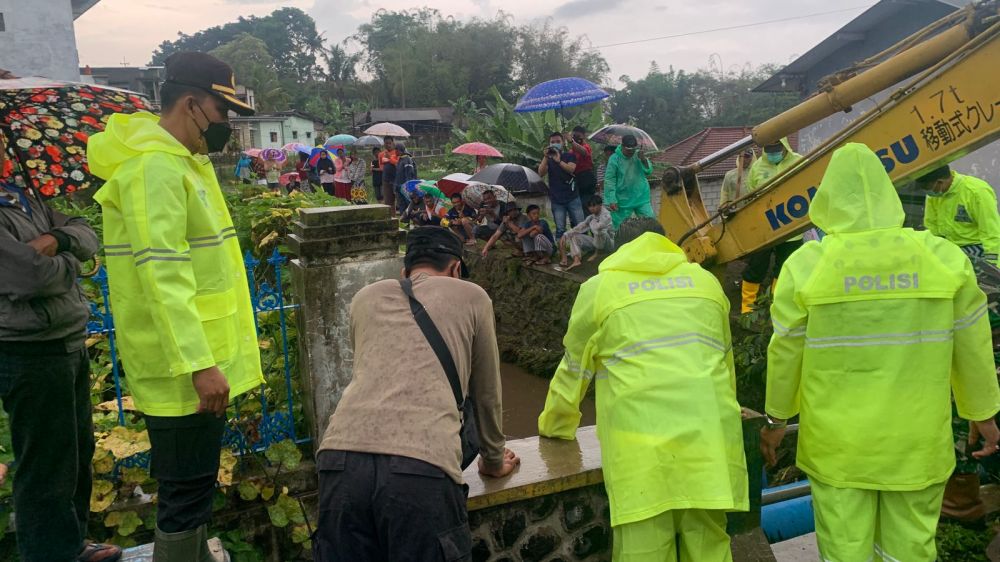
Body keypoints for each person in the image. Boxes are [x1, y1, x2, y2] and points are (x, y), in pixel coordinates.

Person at [760, 143, 1000, 562]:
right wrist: (982, 412)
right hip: (917, 444)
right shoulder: (941, 257)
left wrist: (776, 420)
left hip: (838, 449)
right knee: (909, 550)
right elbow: (973, 343)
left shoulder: (806, 265)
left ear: (828, 200)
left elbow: (784, 353)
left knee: (845, 550)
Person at [88, 51, 265, 561]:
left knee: (196, 484)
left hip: (194, 361)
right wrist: (199, 363)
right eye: (223, 111)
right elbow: (162, 275)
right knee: (186, 491)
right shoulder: (154, 170)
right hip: (183, 369)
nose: (226, 125)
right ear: (192, 104)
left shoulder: (184, 164)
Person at [539, 216, 748, 562]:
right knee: (711, 548)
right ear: (666, 242)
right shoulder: (706, 283)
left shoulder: (600, 289)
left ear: (620, 250)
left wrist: (556, 426)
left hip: (641, 457)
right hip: (710, 446)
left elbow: (573, 370)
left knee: (643, 552)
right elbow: (724, 365)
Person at [313, 226, 520, 561]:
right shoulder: (472, 296)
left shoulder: (365, 298)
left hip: (339, 459)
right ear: (456, 269)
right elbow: (485, 394)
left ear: (404, 271)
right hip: (420, 465)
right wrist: (493, 461)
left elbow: (365, 372)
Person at [0, 132, 121, 562]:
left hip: (64, 338)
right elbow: (27, 277)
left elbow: (85, 231)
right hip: (27, 348)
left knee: (76, 453)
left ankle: (71, 543)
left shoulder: (22, 195)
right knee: (45, 463)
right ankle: (50, 554)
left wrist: (56, 243)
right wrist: (67, 258)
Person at [739, 138, 803, 313]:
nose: (772, 153)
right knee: (756, 266)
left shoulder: (799, 161)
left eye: (776, 149)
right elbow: (751, 194)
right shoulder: (757, 168)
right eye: (769, 150)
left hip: (792, 228)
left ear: (785, 147)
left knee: (785, 267)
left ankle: (778, 306)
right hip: (764, 228)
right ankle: (747, 308)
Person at [916, 165, 1000, 267]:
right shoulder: (934, 195)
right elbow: (932, 228)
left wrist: (993, 265)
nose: (927, 192)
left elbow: (991, 233)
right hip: (949, 248)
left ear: (940, 182)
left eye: (927, 188)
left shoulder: (976, 192)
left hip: (977, 249)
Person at [604, 135, 655, 230]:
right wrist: (612, 199)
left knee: (650, 223)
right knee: (620, 228)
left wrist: (643, 160)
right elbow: (610, 180)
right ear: (622, 146)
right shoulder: (614, 159)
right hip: (622, 199)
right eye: (628, 150)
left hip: (641, 196)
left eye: (633, 150)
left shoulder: (638, 155)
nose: (631, 153)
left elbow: (648, 171)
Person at [538, 132, 581, 239]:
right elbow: (541, 173)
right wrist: (545, 157)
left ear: (563, 143)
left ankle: (582, 247)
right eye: (552, 142)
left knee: (580, 225)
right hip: (556, 199)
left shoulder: (570, 155)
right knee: (560, 228)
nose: (555, 143)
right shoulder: (548, 159)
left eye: (558, 141)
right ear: (549, 144)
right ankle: (562, 251)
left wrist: (559, 161)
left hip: (572, 197)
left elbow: (571, 169)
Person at [558, 195, 613, 270]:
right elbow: (581, 227)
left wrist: (591, 222)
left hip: (608, 244)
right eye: (590, 206)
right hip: (597, 242)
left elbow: (598, 227)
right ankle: (576, 260)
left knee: (600, 231)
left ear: (600, 205)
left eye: (594, 206)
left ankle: (597, 253)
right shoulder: (592, 216)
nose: (592, 208)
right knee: (574, 236)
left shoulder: (606, 215)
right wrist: (566, 234)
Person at [568, 126, 596, 205]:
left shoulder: (586, 147)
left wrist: (572, 142)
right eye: (574, 136)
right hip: (576, 179)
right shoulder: (571, 151)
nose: (576, 138)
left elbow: (584, 152)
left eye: (578, 136)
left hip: (587, 177)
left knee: (587, 203)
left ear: (584, 136)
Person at [394, 143, 419, 215]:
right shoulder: (401, 159)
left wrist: (408, 188)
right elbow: (398, 175)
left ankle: (415, 223)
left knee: (409, 207)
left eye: (396, 149)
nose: (395, 151)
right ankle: (405, 224)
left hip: (406, 189)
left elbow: (409, 175)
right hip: (400, 188)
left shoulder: (407, 159)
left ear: (399, 150)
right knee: (402, 207)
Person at [379, 137, 399, 216]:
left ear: (393, 143)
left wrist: (389, 158)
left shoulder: (397, 152)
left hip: (396, 179)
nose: (388, 145)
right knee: (388, 200)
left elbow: (398, 164)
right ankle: (392, 218)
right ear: (384, 144)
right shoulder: (381, 154)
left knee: (399, 199)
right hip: (386, 179)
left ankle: (404, 219)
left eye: (389, 143)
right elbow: (380, 165)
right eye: (386, 143)